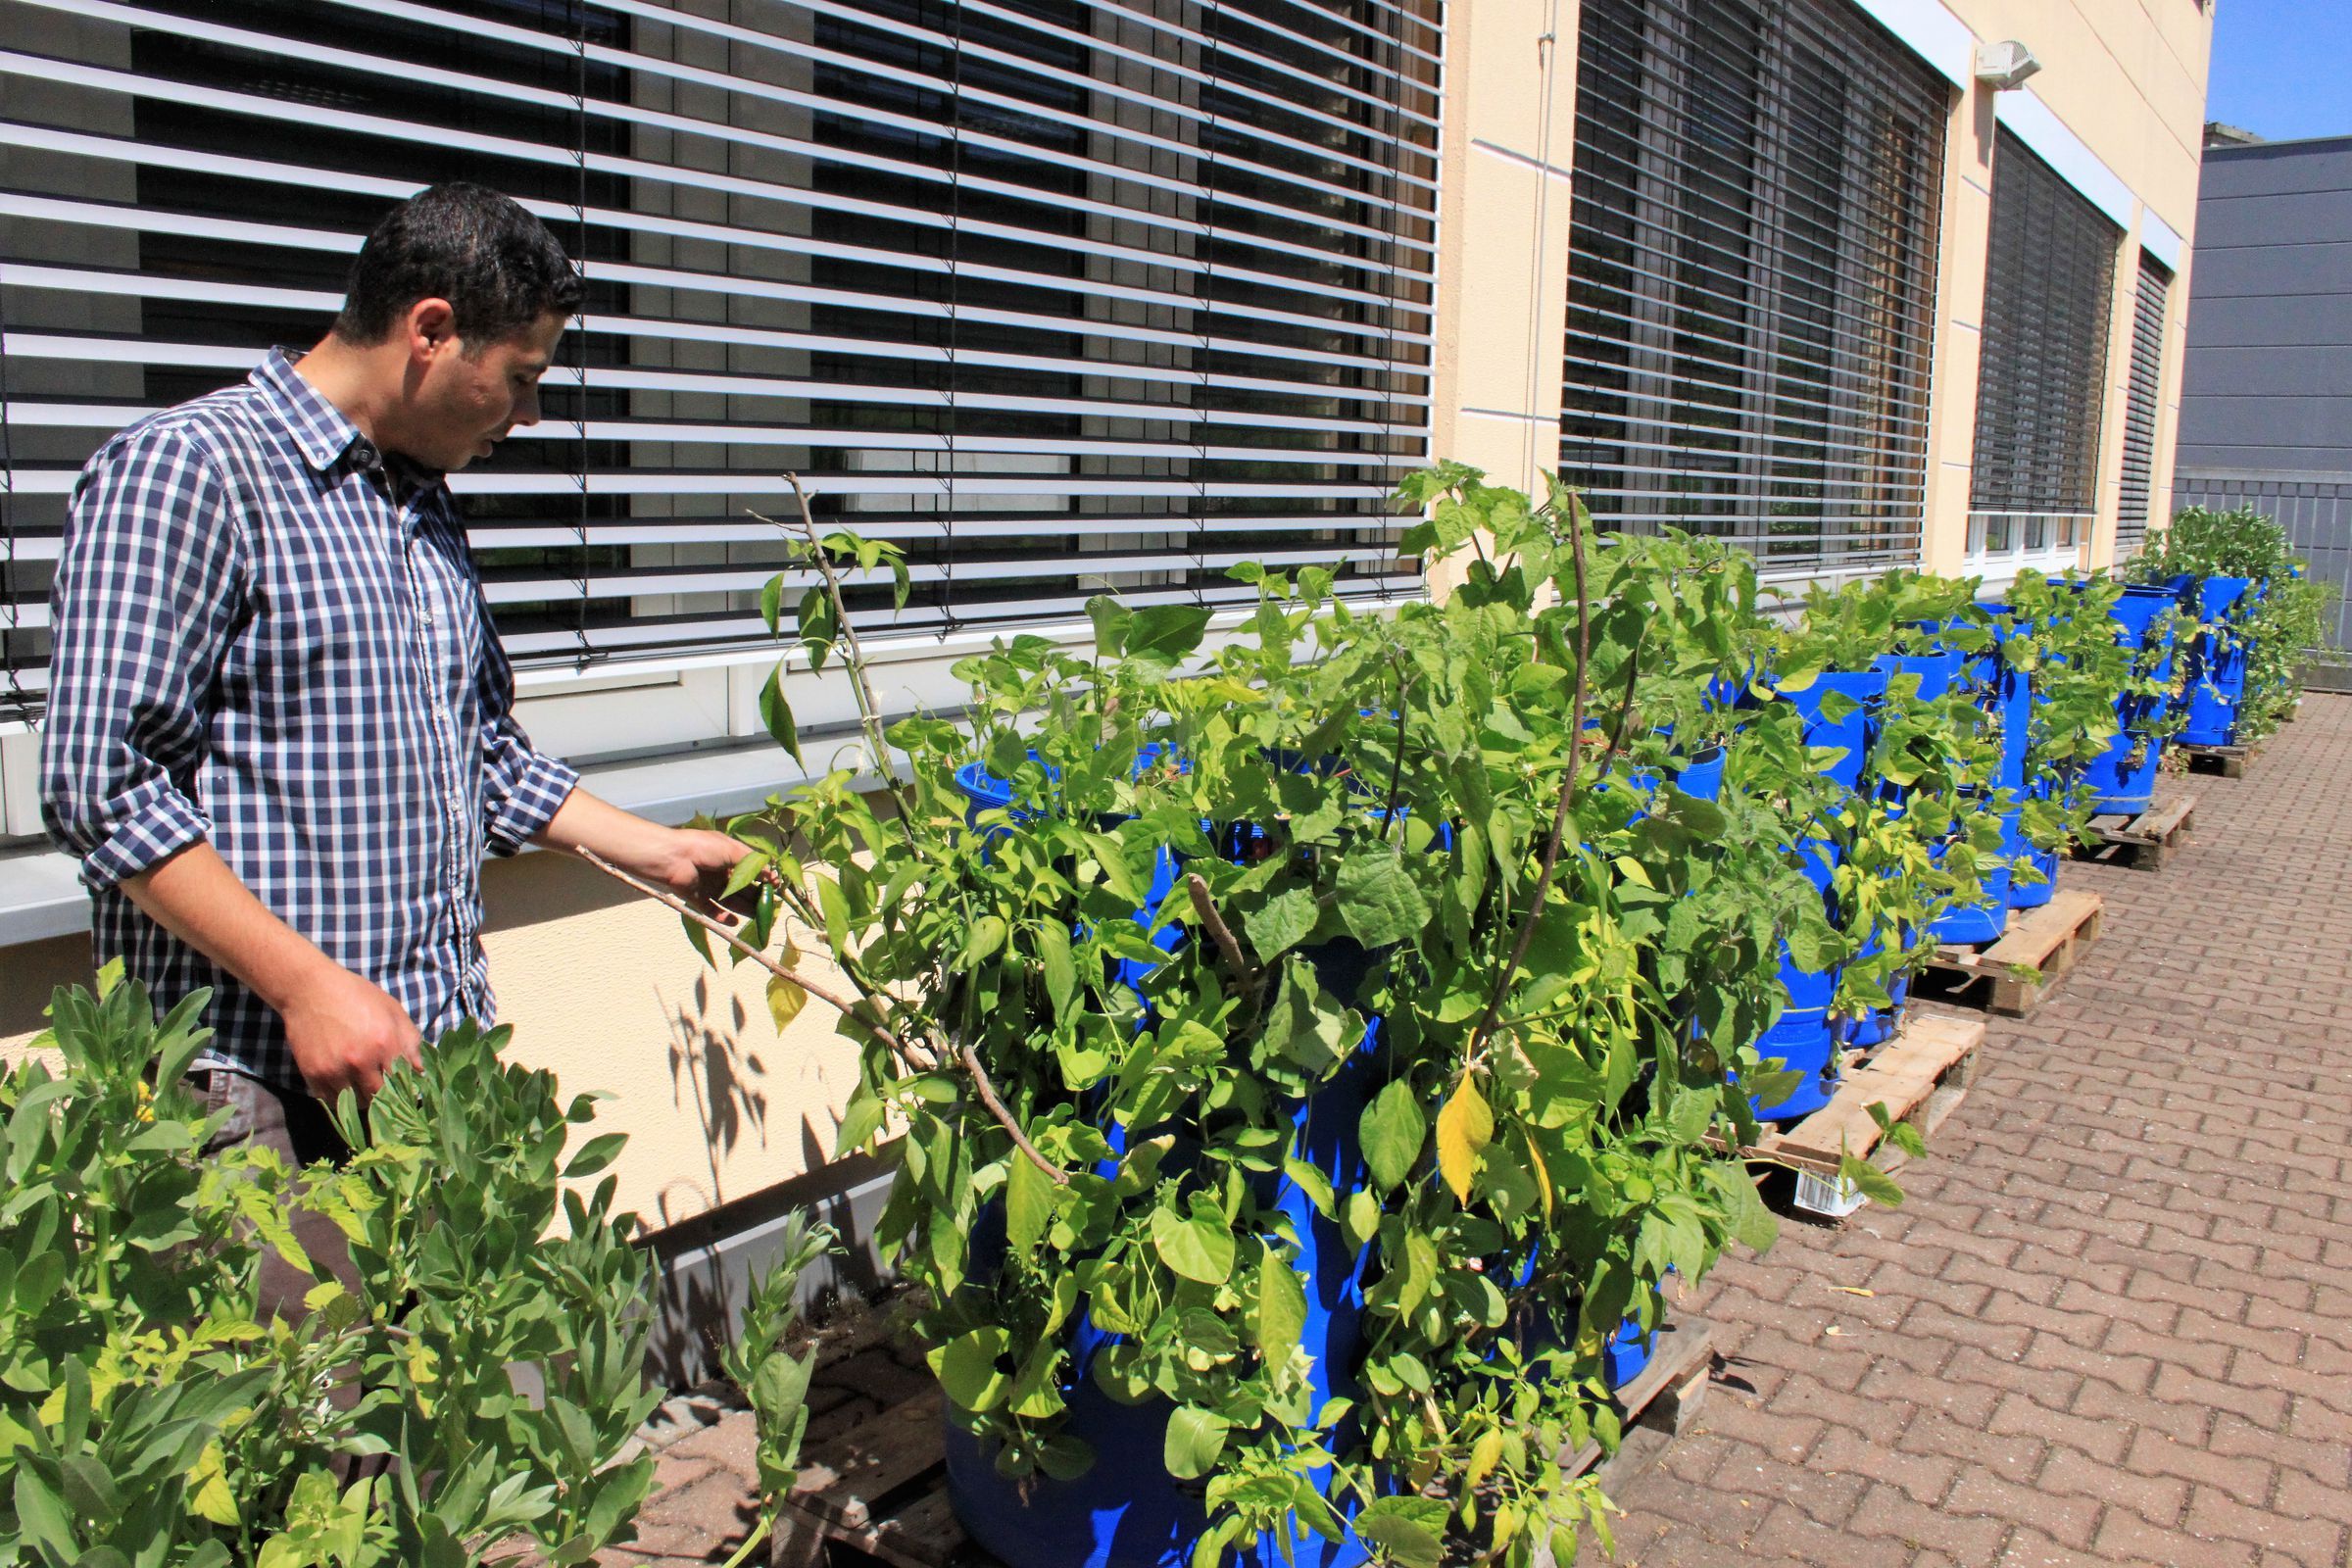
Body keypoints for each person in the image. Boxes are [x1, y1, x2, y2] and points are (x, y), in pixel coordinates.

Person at [40, 182, 751, 1321]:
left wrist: (657, 849)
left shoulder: (417, 506)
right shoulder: (193, 472)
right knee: (291, 1443)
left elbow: (480, 755)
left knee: (402, 1428)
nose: (525, 415)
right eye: (520, 376)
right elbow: (102, 781)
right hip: (257, 1073)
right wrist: (308, 985)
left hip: (417, 1063)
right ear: (429, 330)